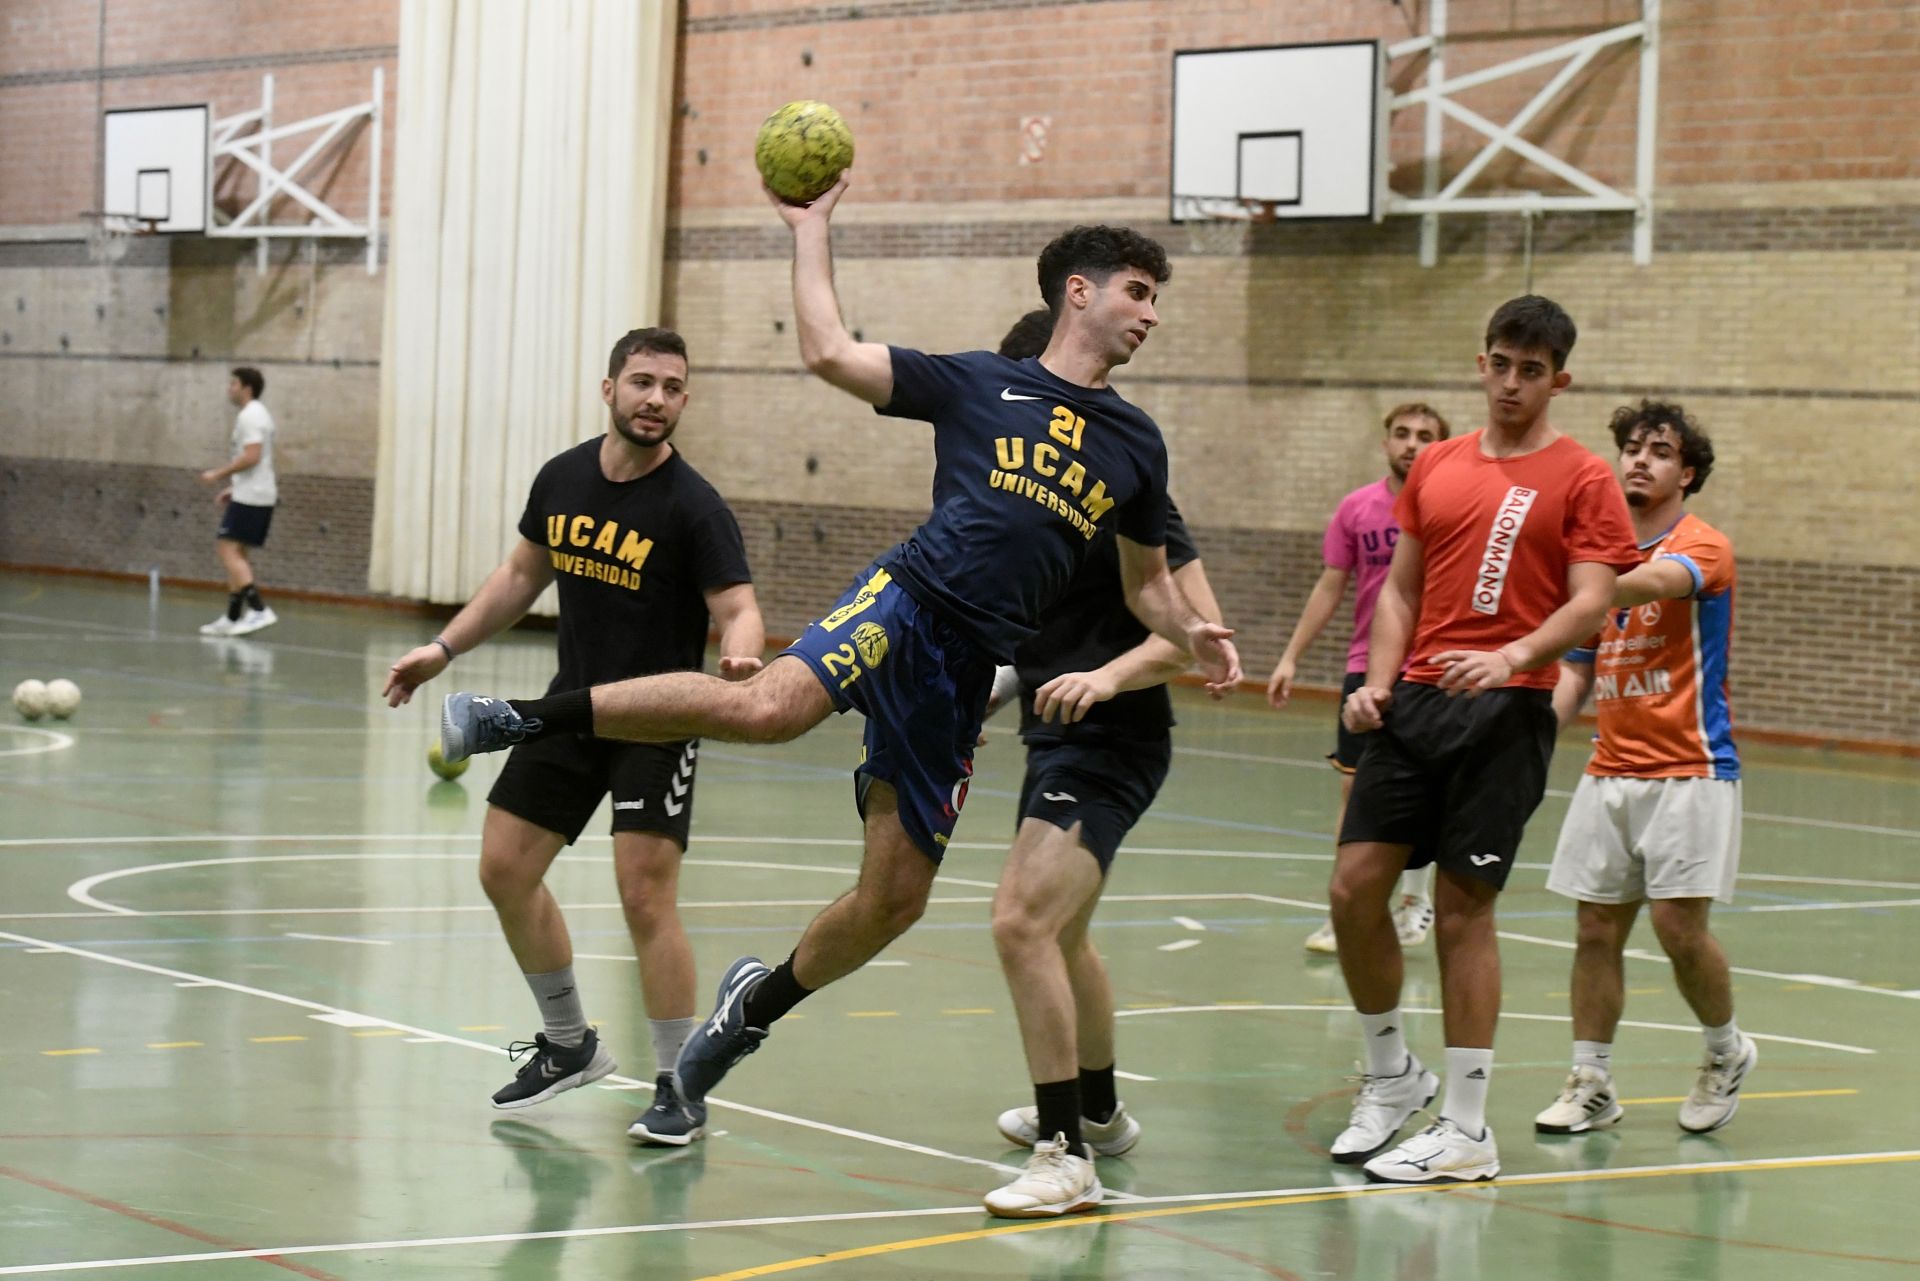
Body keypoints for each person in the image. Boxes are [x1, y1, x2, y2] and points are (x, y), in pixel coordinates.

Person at [436, 176, 1241, 1156]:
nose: (1150, 315)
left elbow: (1150, 587)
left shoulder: (1136, 442)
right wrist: (812, 231)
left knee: (893, 904)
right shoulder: (979, 382)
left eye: (1157, 299)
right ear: (1080, 291)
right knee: (771, 707)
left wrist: (1193, 631)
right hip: (907, 602)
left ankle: (752, 1010)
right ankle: (519, 715)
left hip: (967, 669)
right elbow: (829, 350)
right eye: (1138, 293)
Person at [383, 327, 764, 1146]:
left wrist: (740, 651)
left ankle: (679, 1082)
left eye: (671, 387)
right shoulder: (562, 477)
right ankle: (568, 1043)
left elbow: (736, 604)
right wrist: (442, 648)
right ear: (609, 390)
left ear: (685, 401)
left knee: (643, 894)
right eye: (642, 382)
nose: (656, 398)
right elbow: (521, 575)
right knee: (503, 867)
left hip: (659, 719)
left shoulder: (694, 507)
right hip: (574, 707)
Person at [1328, 296, 1638, 1184]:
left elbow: (1593, 598)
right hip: (1416, 701)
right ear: (1481, 362)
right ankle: (1391, 1074)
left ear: (1559, 379)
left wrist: (1513, 657)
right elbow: (1399, 591)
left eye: (1530, 370)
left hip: (1509, 709)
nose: (1511, 382)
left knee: (1464, 912)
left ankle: (1465, 1127)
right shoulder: (1440, 465)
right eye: (1500, 363)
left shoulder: (1582, 476)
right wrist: (1377, 681)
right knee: (1354, 888)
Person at [980, 309, 1228, 1217]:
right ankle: (1102, 1111)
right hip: (1057, 733)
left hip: (1118, 737)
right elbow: (1041, 637)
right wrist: (997, 691)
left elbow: (1195, 638)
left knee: (1020, 922)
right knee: (1064, 933)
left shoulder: (1131, 488)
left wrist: (1105, 675)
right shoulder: (1027, 501)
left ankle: (1064, 1152)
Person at [1535, 400, 1754, 1137]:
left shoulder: (1703, 546)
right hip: (1610, 769)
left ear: (1686, 472)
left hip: (1691, 769)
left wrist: (1565, 585)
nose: (1639, 459)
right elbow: (1576, 668)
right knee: (1595, 927)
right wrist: (1536, 735)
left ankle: (1726, 1050)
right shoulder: (1597, 558)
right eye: (1631, 447)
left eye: (1659, 450)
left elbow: (1653, 584)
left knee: (1677, 928)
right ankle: (1592, 1079)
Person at [1269, 403, 1451, 956]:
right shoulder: (1358, 508)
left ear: (1441, 446)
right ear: (1385, 443)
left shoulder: (1451, 508)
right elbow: (1331, 587)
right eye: (1401, 433)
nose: (1411, 444)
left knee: (1426, 794)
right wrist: (1290, 656)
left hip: (1430, 672)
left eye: (1425, 436)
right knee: (1355, 792)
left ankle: (1416, 898)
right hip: (1365, 669)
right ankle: (1344, 912)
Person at [198, 366, 279, 636]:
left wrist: (218, 474)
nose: (229, 389)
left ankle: (258, 609)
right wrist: (234, 488)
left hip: (254, 496)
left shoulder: (251, 415)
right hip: (251, 492)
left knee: (227, 549)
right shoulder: (255, 414)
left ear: (247, 388)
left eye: (233, 384)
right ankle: (233, 617)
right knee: (238, 552)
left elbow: (252, 456)